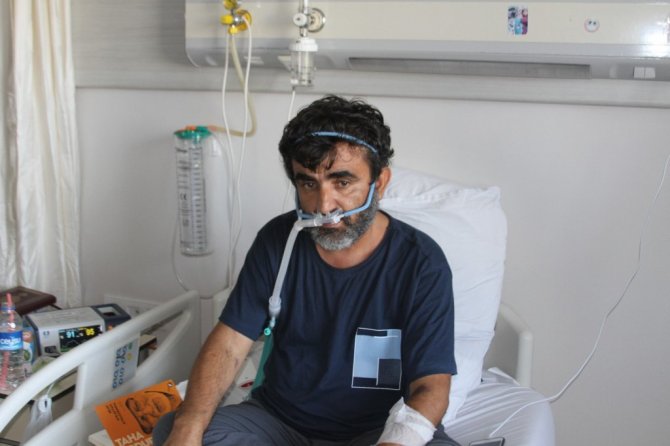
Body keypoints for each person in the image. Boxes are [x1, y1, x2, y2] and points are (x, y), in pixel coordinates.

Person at [154, 95, 459, 446]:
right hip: (280, 424)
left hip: (376, 432)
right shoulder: (278, 242)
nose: (324, 206)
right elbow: (230, 345)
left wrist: (396, 441)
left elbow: (431, 385)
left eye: (342, 183)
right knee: (177, 429)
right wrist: (189, 426)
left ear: (380, 182)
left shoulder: (421, 263)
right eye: (309, 183)